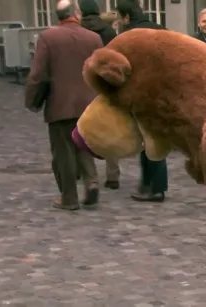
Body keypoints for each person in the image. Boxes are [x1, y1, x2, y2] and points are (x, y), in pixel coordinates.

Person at [25, 0, 102, 210]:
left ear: (57, 16)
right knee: (84, 145)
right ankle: (92, 181)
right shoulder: (94, 38)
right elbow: (101, 70)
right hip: (89, 103)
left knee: (64, 152)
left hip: (60, 103)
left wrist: (32, 101)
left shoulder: (48, 37)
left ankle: (69, 197)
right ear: (76, 14)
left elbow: (37, 74)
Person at [116, 0, 168, 202]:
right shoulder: (160, 30)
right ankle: (150, 185)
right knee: (154, 140)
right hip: (162, 92)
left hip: (141, 94)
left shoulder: (129, 37)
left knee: (148, 141)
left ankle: (154, 187)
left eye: (120, 17)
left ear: (126, 17)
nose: (119, 21)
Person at [79, 0, 121, 189]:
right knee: (108, 128)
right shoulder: (109, 32)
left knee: (81, 130)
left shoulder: (77, 32)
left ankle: (87, 173)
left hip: (81, 85)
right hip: (103, 85)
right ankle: (112, 174)